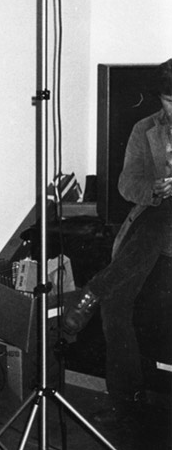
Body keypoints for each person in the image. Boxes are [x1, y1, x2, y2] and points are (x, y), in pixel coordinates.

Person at [63, 57, 172, 424]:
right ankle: (127, 399)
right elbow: (127, 184)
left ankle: (91, 291)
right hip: (153, 225)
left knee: (158, 223)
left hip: (157, 230)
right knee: (116, 302)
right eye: (168, 101)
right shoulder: (146, 129)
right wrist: (154, 188)